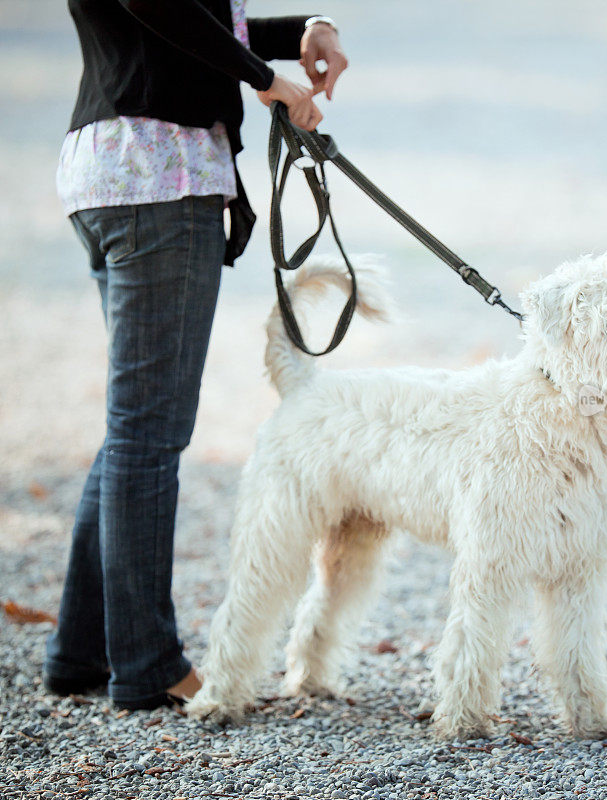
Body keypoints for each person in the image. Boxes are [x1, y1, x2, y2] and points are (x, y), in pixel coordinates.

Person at [43, 0, 348, 710]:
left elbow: (187, 17)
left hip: (109, 171)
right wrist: (264, 77)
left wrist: (295, 32)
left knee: (132, 429)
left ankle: (80, 651)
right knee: (148, 434)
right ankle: (147, 664)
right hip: (162, 176)